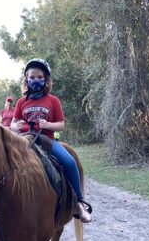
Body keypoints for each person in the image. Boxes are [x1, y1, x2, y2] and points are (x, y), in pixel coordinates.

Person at [11, 58, 92, 223]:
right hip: (25, 139)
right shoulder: (21, 102)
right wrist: (15, 126)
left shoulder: (53, 100)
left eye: (39, 77)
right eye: (32, 77)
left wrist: (48, 124)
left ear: (46, 79)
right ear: (26, 79)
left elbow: (61, 125)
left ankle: (79, 201)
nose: (35, 80)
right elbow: (13, 122)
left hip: (46, 139)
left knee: (69, 162)